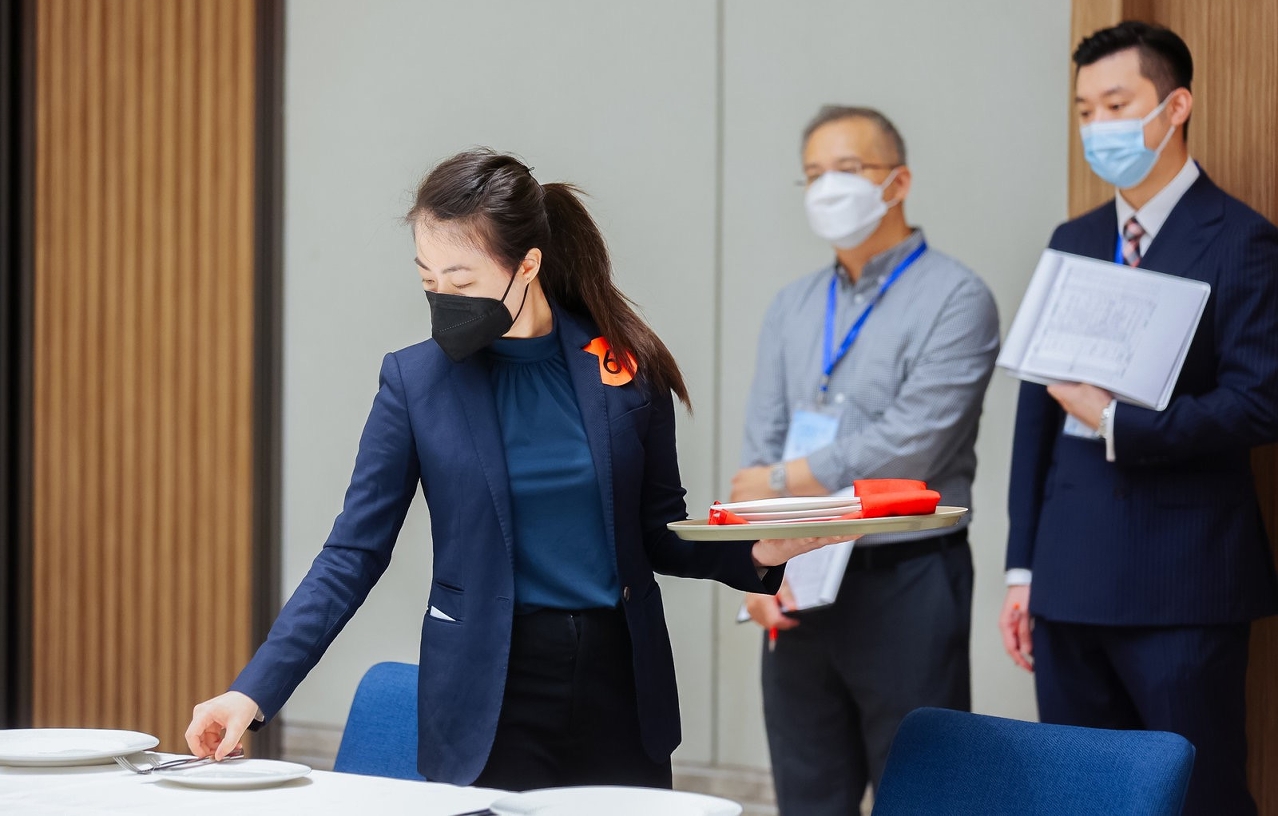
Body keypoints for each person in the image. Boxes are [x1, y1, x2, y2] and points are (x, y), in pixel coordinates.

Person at [185, 149, 846, 790]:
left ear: (528, 264)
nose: (443, 298)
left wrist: (757, 553)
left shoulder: (623, 368)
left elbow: (657, 533)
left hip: (618, 687)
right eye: (428, 281)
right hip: (487, 694)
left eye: (461, 281)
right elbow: (352, 554)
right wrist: (254, 689)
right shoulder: (415, 383)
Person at [999, 21, 1278, 816]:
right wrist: (1022, 572)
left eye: (1116, 106)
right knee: (1077, 797)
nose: (1098, 127)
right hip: (1068, 580)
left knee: (1198, 795)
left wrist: (1122, 424)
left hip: (1183, 584)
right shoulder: (1074, 238)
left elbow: (1259, 402)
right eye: (1085, 111)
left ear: (1175, 106)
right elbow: (1035, 421)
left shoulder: (1243, 241)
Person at [736, 106, 1000, 815]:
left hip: (906, 580)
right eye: (814, 173)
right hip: (800, 579)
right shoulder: (792, 306)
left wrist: (785, 479)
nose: (828, 188)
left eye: (848, 169)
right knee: (806, 796)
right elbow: (759, 445)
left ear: (898, 182)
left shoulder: (956, 298)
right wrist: (752, 563)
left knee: (922, 795)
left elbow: (912, 446)